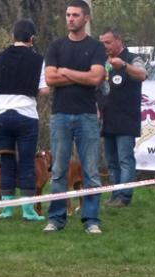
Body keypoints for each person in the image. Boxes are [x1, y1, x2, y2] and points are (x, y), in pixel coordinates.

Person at [43, 0, 106, 234]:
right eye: (68, 15)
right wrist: (83, 76)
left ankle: (91, 220)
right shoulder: (56, 46)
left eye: (75, 15)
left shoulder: (96, 47)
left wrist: (66, 72)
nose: (70, 19)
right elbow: (50, 79)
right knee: (59, 170)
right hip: (60, 115)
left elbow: (96, 79)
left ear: (86, 18)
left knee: (90, 170)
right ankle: (56, 218)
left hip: (87, 116)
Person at [0, 19, 49, 220]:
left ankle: (7, 208)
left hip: (1, 115)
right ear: (32, 38)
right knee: (28, 161)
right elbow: (45, 90)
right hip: (26, 115)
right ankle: (28, 210)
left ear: (13, 36)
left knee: (7, 160)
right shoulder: (39, 59)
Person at [98, 27, 147, 207]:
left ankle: (125, 196)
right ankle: (115, 194)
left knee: (125, 158)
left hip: (126, 117)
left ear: (119, 41)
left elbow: (142, 74)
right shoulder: (103, 61)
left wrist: (124, 66)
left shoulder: (132, 58)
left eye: (108, 42)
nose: (105, 46)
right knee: (111, 161)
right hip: (108, 117)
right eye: (103, 43)